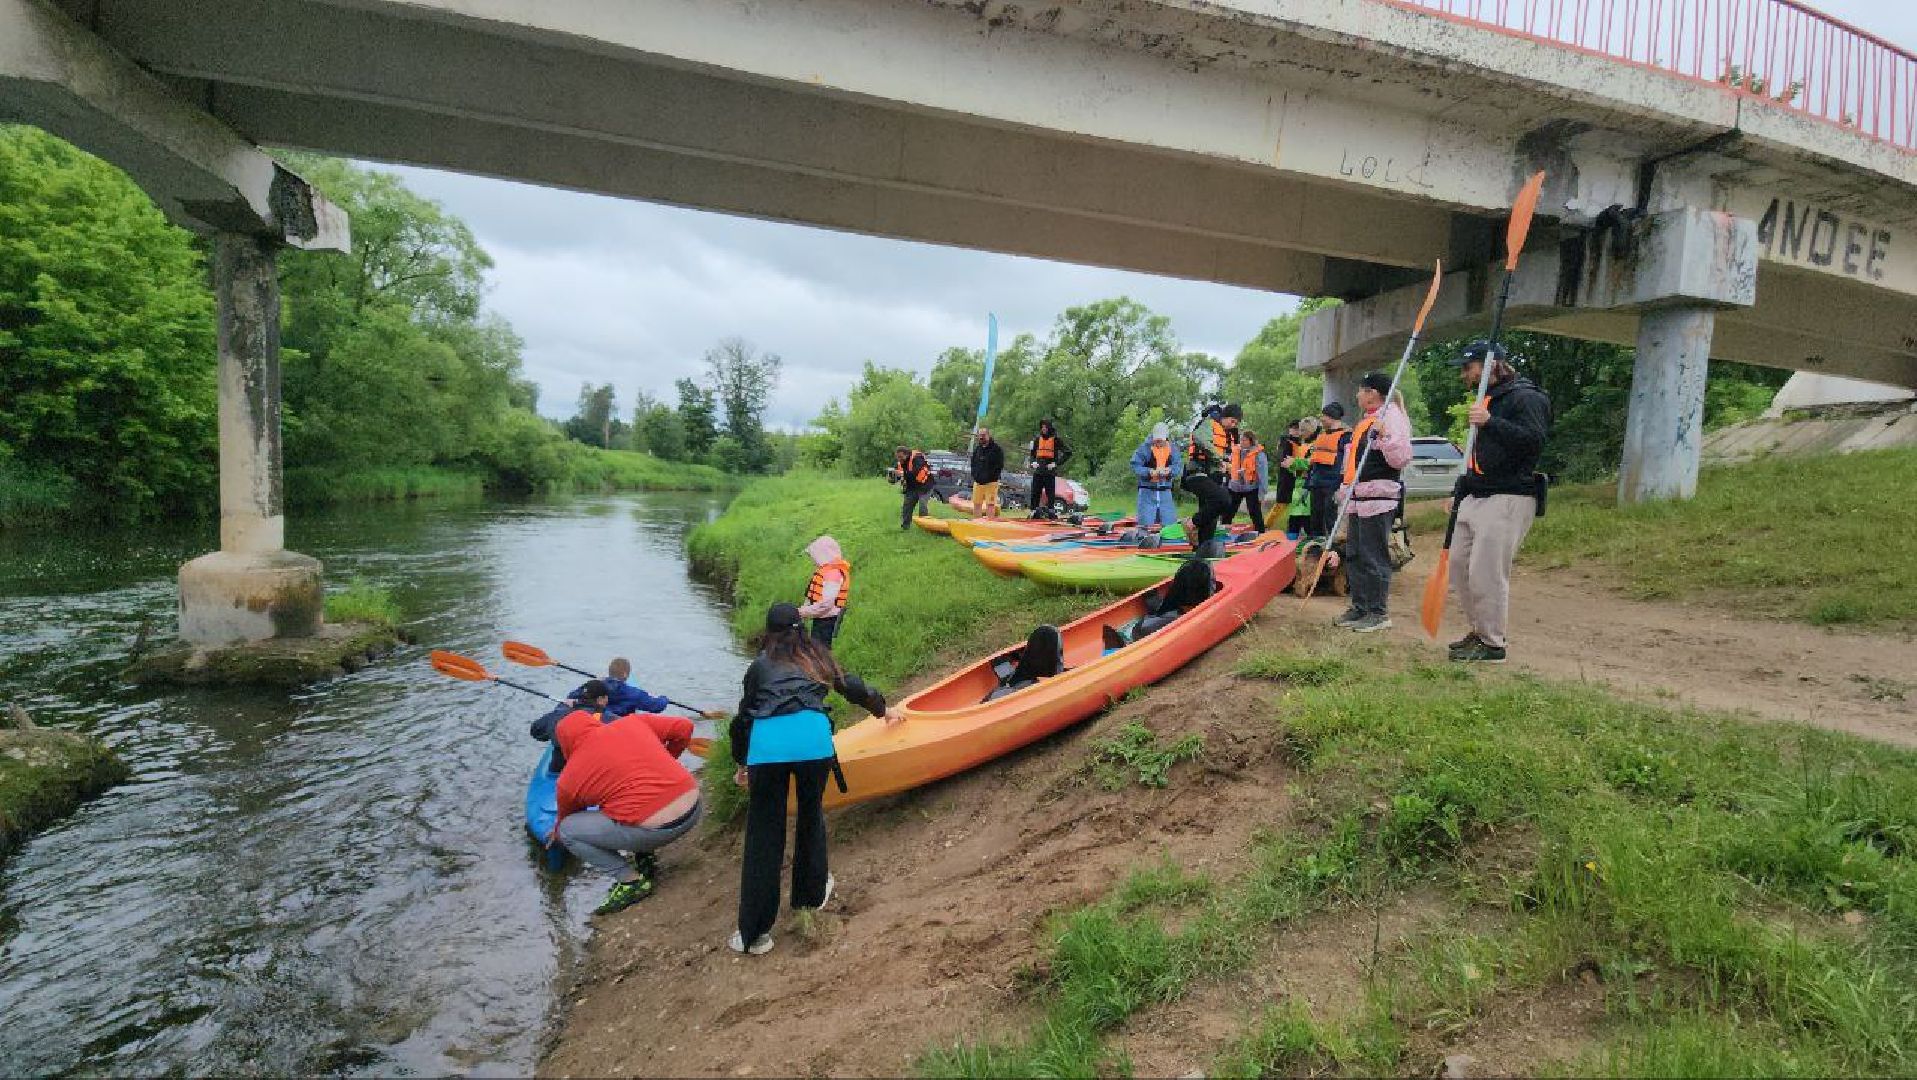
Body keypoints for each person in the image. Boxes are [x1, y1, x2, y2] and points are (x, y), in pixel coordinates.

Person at [729, 603, 900, 956]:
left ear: (769, 632)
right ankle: (809, 899)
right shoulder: (817, 656)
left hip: (768, 751)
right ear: (800, 628)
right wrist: (884, 710)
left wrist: (743, 763)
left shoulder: (759, 666)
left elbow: (744, 719)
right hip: (813, 745)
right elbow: (852, 687)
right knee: (811, 817)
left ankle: (754, 935)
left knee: (764, 834)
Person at [548, 680, 704, 916]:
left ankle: (630, 881)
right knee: (626, 801)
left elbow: (564, 823)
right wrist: (668, 758)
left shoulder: (569, 779)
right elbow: (684, 727)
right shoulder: (633, 722)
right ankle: (644, 857)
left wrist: (556, 833)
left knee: (571, 830)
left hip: (658, 831)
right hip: (694, 808)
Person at [1446, 341, 1552, 663]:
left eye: (1469, 368)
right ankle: (1479, 630)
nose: (1465, 375)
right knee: (1460, 566)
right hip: (1476, 494)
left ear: (1490, 365)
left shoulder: (1527, 397)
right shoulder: (1487, 401)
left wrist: (1490, 422)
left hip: (1508, 495)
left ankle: (1492, 643)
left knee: (1486, 572)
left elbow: (1534, 441)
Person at [1335, 373, 1414, 633]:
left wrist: (1383, 438)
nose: (1357, 396)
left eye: (1360, 391)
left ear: (1373, 393)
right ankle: (1360, 607)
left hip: (1378, 498)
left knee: (1373, 556)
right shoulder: (1366, 420)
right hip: (1359, 497)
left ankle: (1378, 612)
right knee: (1355, 555)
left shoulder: (1391, 417)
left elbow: (1400, 457)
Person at [1181, 403, 1239, 552]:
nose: (1233, 425)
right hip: (1197, 474)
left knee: (1211, 519)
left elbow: (1226, 455)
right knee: (1223, 500)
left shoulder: (1229, 435)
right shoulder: (1209, 423)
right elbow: (1199, 438)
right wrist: (1219, 459)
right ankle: (1192, 523)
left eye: (1236, 423)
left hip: (1213, 476)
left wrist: (1226, 464)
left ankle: (1201, 553)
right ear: (1225, 416)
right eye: (1232, 421)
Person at [1303, 403, 1351, 541]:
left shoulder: (1346, 436)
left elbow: (1347, 464)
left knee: (1332, 520)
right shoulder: (1321, 436)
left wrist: (1341, 485)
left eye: (1324, 415)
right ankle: (1316, 549)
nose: (1321, 418)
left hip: (1333, 485)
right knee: (1315, 520)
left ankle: (1335, 551)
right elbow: (1314, 462)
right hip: (1317, 484)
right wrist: (1308, 484)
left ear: (1332, 417)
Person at [797, 535, 851, 649]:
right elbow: (811, 597)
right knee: (816, 648)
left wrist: (803, 612)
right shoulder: (825, 571)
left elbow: (826, 604)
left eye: (814, 556)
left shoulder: (833, 574)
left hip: (828, 620)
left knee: (821, 650)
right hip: (821, 617)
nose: (813, 560)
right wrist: (803, 610)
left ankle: (824, 666)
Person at [1129, 423, 1182, 535]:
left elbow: (1178, 466)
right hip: (1147, 491)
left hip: (1165, 492)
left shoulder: (1173, 449)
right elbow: (1135, 466)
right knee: (1144, 524)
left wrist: (1170, 471)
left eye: (1161, 440)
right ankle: (1142, 540)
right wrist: (1149, 472)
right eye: (1156, 440)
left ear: (1166, 438)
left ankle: (1168, 545)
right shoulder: (1144, 449)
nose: (1158, 443)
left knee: (1169, 523)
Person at [1223, 427, 1269, 534]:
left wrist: (1262, 493)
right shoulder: (1235, 451)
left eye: (1244, 440)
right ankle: (1223, 534)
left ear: (1251, 441)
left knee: (1255, 513)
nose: (1241, 442)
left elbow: (1263, 475)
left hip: (1251, 487)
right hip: (1234, 487)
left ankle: (1261, 534)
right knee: (1228, 512)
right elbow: (1229, 467)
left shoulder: (1259, 454)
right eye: (1241, 439)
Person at [1026, 420, 1072, 514]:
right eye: (1042, 427)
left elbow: (1068, 452)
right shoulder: (1037, 440)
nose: (1044, 429)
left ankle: (1050, 512)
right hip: (1038, 471)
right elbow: (1032, 454)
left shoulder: (1056, 440)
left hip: (1049, 472)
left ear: (1049, 428)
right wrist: (1033, 462)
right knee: (1035, 493)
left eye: (1045, 427)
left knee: (1050, 494)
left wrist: (1056, 464)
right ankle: (1033, 512)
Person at [1284, 417, 1319, 538]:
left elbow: (1311, 463)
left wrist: (1294, 463)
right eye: (1300, 430)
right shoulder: (1302, 445)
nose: (1300, 433)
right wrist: (1290, 465)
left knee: (1307, 520)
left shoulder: (1315, 445)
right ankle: (1290, 545)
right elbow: (1299, 464)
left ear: (1311, 430)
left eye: (1303, 430)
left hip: (1308, 485)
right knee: (1294, 519)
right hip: (1298, 484)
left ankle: (1313, 545)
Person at [890, 445, 934, 531]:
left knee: (922, 505)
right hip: (912, 487)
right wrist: (892, 476)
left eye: (901, 457)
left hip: (925, 486)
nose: (899, 459)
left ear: (906, 454)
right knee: (907, 506)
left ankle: (926, 527)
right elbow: (895, 478)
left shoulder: (917, 458)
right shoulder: (900, 462)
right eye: (897, 457)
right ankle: (905, 527)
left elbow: (916, 473)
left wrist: (902, 473)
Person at [969, 428, 1005, 517]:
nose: (981, 437)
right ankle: (977, 523)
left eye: (983, 435)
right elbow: (973, 463)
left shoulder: (997, 449)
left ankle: (989, 524)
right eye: (980, 435)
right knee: (977, 503)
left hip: (991, 482)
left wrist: (991, 476)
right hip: (978, 482)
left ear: (988, 435)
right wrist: (975, 475)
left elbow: (999, 465)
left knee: (990, 504)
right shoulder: (977, 449)